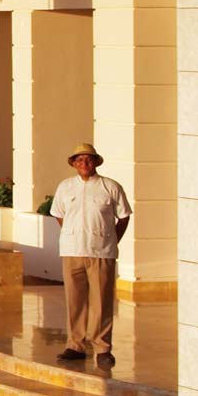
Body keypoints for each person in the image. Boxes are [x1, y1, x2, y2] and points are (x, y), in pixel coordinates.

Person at [49, 141, 131, 366]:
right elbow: (58, 214)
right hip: (72, 250)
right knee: (74, 300)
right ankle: (75, 345)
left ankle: (102, 348)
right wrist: (72, 233)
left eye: (88, 159)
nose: (84, 163)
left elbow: (123, 216)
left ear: (95, 162)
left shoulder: (110, 187)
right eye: (80, 159)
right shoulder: (65, 187)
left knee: (102, 301)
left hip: (102, 252)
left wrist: (112, 238)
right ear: (74, 163)